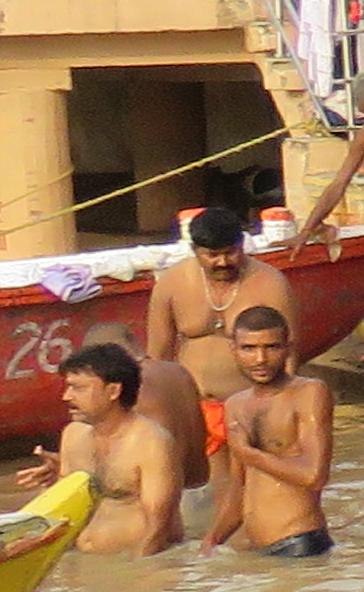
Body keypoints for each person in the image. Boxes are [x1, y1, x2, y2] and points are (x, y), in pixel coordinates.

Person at [203, 303, 336, 557]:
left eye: (271, 347)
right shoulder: (235, 404)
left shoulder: (309, 393)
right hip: (260, 550)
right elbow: (239, 490)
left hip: (299, 542)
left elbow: (314, 476)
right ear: (234, 349)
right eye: (249, 349)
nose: (260, 359)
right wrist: (211, 542)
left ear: (288, 348)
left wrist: (250, 454)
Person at [37, 341, 187, 555]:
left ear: (113, 390)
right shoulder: (73, 434)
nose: (67, 396)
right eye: (68, 386)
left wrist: (142, 572)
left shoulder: (151, 441)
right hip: (88, 565)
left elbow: (159, 526)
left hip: (138, 566)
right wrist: (49, 485)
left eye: (78, 388)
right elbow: (66, 512)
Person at [144, 206, 291, 415]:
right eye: (212, 255)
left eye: (230, 253)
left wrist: (282, 409)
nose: (223, 262)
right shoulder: (171, 283)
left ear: (241, 245)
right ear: (195, 250)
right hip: (191, 408)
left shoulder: (271, 282)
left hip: (251, 408)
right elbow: (158, 356)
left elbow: (289, 353)